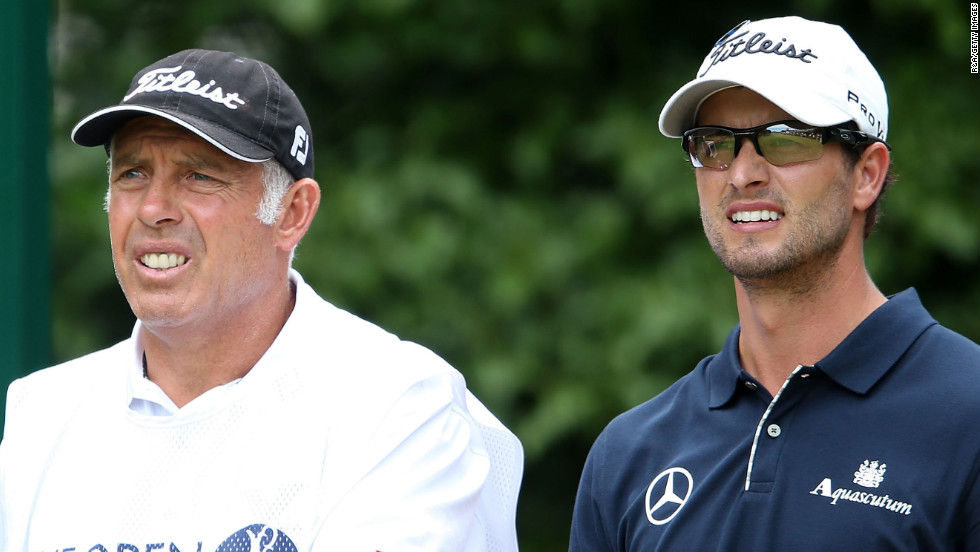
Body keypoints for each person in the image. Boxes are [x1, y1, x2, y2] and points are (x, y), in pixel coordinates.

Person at [0, 49, 523, 551]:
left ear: (293, 213)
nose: (154, 208)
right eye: (132, 173)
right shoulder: (41, 415)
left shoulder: (398, 406)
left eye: (198, 176)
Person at [569, 16, 978, 551]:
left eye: (784, 139)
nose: (742, 174)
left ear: (867, 175)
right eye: (715, 144)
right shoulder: (628, 455)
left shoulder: (968, 413)